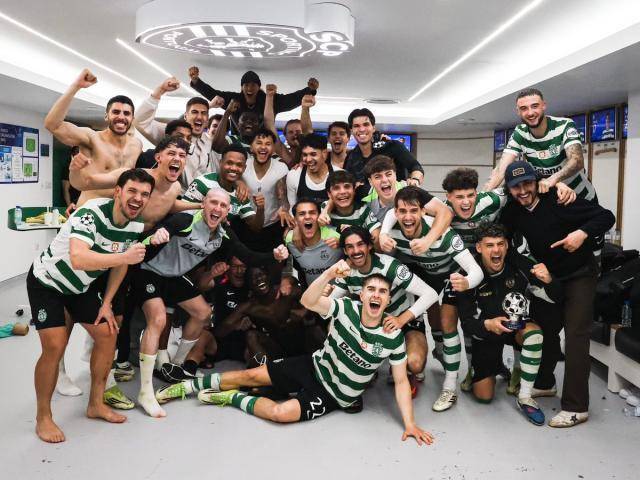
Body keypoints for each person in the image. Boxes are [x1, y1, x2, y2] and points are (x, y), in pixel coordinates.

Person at [155, 260, 435, 446]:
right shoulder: (346, 308)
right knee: (250, 375)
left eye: (382, 292)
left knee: (279, 413)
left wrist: (410, 424)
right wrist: (329, 274)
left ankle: (230, 398)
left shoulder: (392, 336)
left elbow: (401, 381)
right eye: (370, 289)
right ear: (361, 295)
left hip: (333, 395)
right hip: (313, 366)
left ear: (388, 299)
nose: (375, 295)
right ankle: (185, 388)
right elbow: (309, 301)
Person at [132, 188, 289, 417]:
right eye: (213, 202)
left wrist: (273, 256)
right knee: (158, 319)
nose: (217, 208)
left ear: (228, 211)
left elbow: (248, 256)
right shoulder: (185, 220)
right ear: (204, 204)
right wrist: (157, 236)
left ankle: (176, 366)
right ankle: (145, 392)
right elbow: (161, 231)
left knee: (203, 313)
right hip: (149, 271)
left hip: (174, 277)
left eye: (223, 205)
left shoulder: (224, 233)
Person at [27, 168, 154, 443]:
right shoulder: (91, 213)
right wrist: (125, 256)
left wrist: (107, 303)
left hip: (80, 288)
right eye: (132, 191)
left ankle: (96, 404)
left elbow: (120, 266)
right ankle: (43, 417)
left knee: (108, 334)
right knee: (54, 346)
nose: (138, 198)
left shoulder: (135, 225)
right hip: (47, 283)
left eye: (145, 194)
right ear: (118, 192)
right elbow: (79, 258)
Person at [500, 161, 615, 427]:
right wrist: (529, 267)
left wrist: (581, 233)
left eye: (527, 184)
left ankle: (576, 407)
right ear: (509, 189)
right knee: (545, 328)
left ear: (536, 182)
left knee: (575, 336)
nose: (523, 191)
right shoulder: (512, 211)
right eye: (516, 187)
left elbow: (606, 216)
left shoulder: (559, 198)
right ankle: (545, 383)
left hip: (580, 274)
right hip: (549, 277)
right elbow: (505, 242)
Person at [442, 166, 576, 391]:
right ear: (449, 197)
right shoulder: (441, 211)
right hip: (464, 269)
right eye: (459, 197)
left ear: (477, 193)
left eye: (470, 195)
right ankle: (473, 369)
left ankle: (517, 370)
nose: (465, 202)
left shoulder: (492, 200)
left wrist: (556, 182)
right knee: (466, 317)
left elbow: (523, 185)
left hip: (500, 260)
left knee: (514, 306)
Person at [380, 186, 484, 412]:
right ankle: (436, 350)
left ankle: (449, 387)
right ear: (396, 213)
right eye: (402, 211)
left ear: (423, 212)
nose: (408, 217)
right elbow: (389, 216)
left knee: (448, 321)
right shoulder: (392, 232)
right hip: (425, 275)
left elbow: (476, 271)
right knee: (431, 310)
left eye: (413, 211)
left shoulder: (444, 235)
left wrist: (466, 282)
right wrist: (382, 234)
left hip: (451, 275)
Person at [457, 223, 561, 425]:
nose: (496, 250)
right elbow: (467, 324)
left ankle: (525, 397)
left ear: (506, 246)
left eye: (500, 244)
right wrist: (488, 325)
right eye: (489, 245)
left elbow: (555, 298)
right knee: (484, 396)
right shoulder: (468, 274)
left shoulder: (519, 264)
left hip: (516, 327)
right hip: (488, 331)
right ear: (479, 248)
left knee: (534, 334)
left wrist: (549, 280)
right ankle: (490, 366)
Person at [332, 226, 439, 398]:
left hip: (404, 322)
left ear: (369, 246)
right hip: (371, 327)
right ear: (345, 251)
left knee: (415, 363)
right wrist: (329, 280)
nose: (356, 251)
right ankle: (373, 367)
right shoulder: (346, 271)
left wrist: (401, 320)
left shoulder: (389, 266)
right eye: (350, 247)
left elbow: (431, 294)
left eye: (360, 245)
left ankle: (404, 368)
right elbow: (328, 304)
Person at [45, 69, 143, 207]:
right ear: (106, 116)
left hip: (118, 212)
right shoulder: (92, 138)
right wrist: (76, 86)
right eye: (115, 112)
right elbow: (53, 125)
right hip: (90, 209)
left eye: (126, 113)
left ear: (132, 118)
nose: (121, 117)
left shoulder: (137, 145)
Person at [485, 88, 596, 201]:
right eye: (524, 108)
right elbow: (500, 171)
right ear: (518, 111)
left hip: (582, 196)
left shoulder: (564, 125)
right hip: (553, 198)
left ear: (543, 106)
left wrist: (551, 180)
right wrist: (480, 199)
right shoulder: (520, 133)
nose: (530, 113)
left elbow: (577, 161)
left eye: (535, 106)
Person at [134, 77, 217, 189]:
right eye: (194, 112)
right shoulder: (172, 133)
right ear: (186, 116)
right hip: (171, 195)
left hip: (199, 197)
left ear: (207, 119)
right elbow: (140, 121)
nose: (199, 117)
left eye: (203, 113)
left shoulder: (209, 143)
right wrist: (160, 90)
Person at [189, 66, 318, 131]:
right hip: (239, 140)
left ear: (259, 87)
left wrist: (310, 90)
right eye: (246, 85)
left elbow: (291, 100)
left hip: (263, 140)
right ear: (241, 87)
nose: (249, 88)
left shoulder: (270, 100)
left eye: (253, 85)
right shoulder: (234, 100)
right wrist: (196, 81)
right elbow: (213, 94)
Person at [183, 144, 264, 232]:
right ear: (220, 162)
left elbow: (255, 226)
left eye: (239, 165)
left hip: (216, 239)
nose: (234, 168)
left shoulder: (241, 193)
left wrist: (260, 209)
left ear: (244, 168)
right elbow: (181, 213)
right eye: (229, 163)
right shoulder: (203, 183)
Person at [344, 108, 423, 198]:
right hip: (365, 205)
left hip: (397, 202)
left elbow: (416, 167)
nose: (362, 129)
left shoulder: (392, 146)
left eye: (366, 124)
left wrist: (415, 180)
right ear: (351, 130)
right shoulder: (351, 157)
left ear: (373, 128)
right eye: (356, 126)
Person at [238, 128, 292, 251]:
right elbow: (231, 178)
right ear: (251, 147)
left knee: (274, 259)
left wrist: (284, 208)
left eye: (268, 144)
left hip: (273, 226)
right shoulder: (243, 165)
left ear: (273, 149)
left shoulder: (281, 168)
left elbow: (283, 193)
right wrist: (238, 181)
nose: (263, 147)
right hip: (245, 223)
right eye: (259, 143)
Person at [285, 199, 343, 288]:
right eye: (302, 214)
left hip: (339, 292)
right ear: (295, 220)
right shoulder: (290, 240)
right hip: (312, 292)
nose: (307, 216)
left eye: (312, 213)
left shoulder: (335, 236)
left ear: (319, 217)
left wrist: (343, 242)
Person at [320, 171, 381, 244]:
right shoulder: (325, 208)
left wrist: (343, 239)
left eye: (347, 186)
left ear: (354, 190)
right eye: (336, 188)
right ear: (329, 194)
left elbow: (376, 240)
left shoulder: (364, 209)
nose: (342, 192)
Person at [286, 133, 335, 207]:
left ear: (324, 154)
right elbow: (292, 209)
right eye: (305, 155)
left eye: (313, 154)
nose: (308, 159)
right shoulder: (294, 176)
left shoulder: (339, 174)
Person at [61, 147, 81, 217]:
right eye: (77, 153)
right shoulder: (67, 168)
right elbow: (65, 189)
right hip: (73, 202)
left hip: (82, 201)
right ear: (72, 155)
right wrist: (69, 206)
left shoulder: (85, 167)